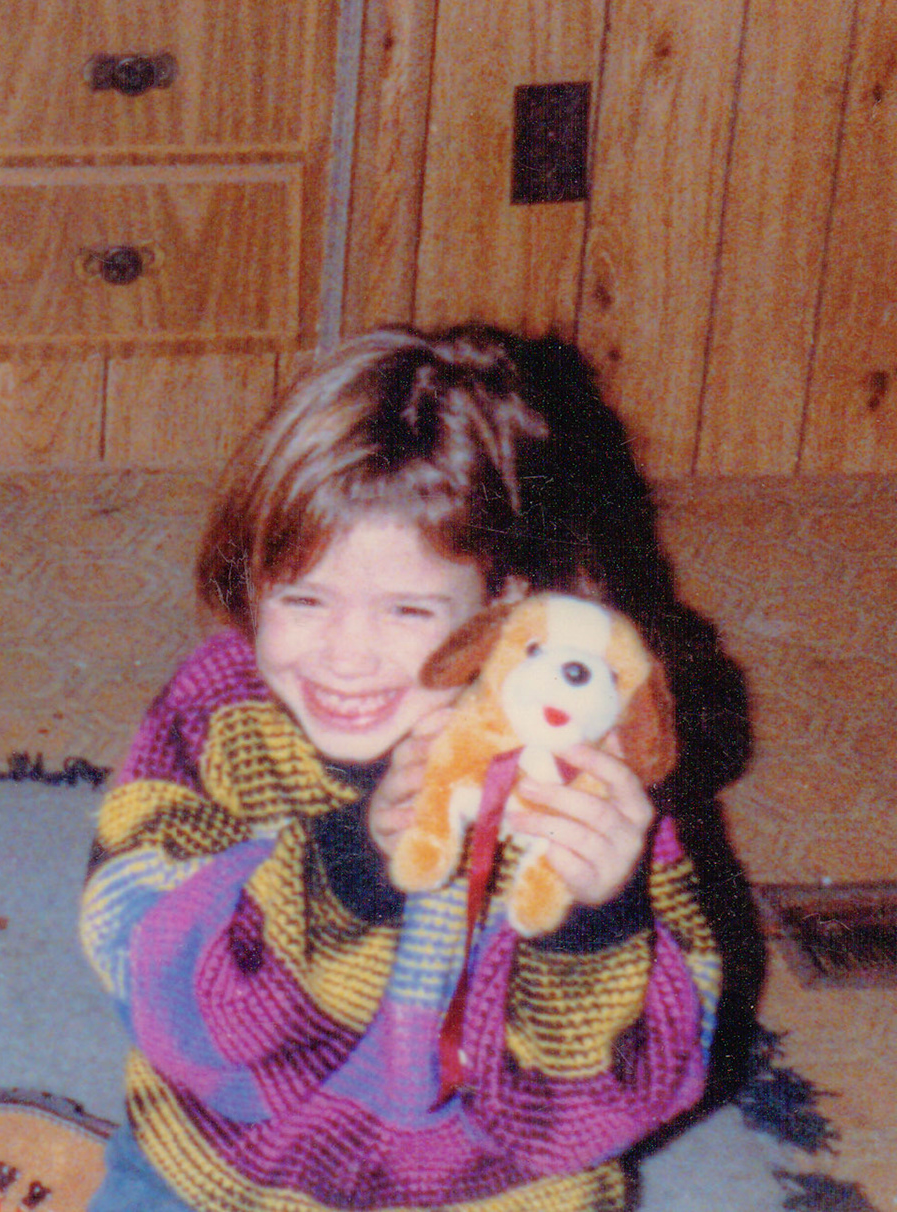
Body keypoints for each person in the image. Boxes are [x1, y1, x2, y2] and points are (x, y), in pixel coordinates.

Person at [78, 325, 724, 1212]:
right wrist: (349, 867)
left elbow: (593, 1117)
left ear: (507, 602)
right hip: (217, 1170)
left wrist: (593, 922)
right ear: (250, 577)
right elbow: (158, 994)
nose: (346, 658)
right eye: (303, 598)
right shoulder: (220, 714)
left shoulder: (581, 776)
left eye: (408, 610)